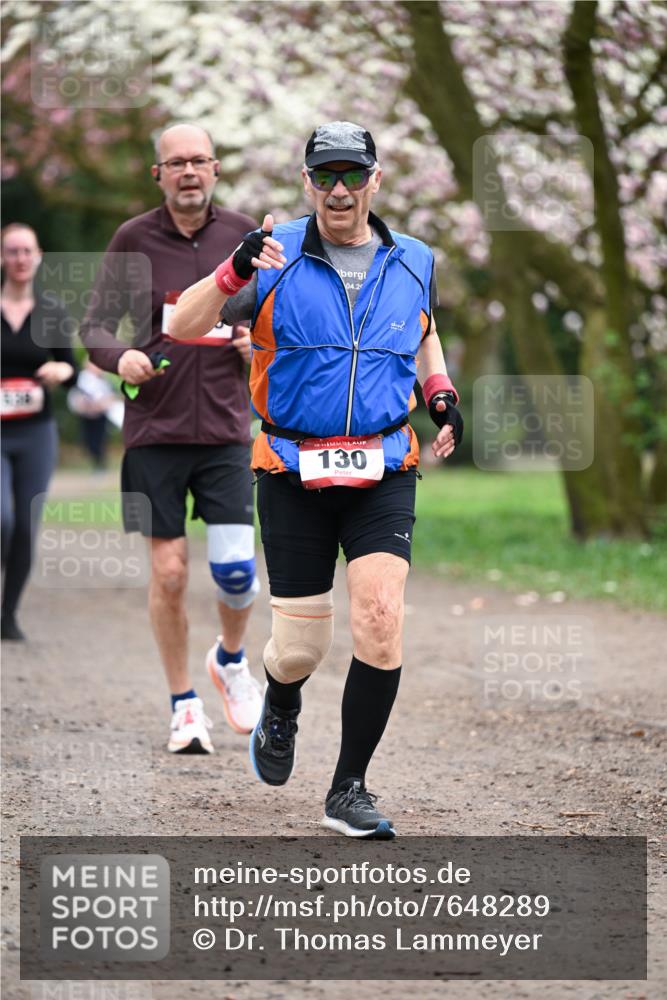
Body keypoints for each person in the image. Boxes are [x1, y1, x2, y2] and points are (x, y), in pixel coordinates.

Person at [169, 121, 463, 837]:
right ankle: (281, 701)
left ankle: (348, 789)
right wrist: (232, 269)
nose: (338, 190)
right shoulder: (269, 257)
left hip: (384, 462)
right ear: (306, 182)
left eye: (351, 175)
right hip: (293, 467)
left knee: (380, 619)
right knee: (299, 649)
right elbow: (180, 323)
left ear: (375, 180)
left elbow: (421, 332)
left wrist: (441, 393)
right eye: (325, 176)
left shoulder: (414, 258)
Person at [80, 123, 263, 755]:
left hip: (225, 433)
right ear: (157, 174)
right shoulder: (133, 238)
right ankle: (184, 705)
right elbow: (96, 327)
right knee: (170, 573)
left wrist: (252, 344)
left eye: (199, 161)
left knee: (239, 575)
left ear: (215, 169)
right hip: (154, 431)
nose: (188, 171)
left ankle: (231, 659)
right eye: (175, 162)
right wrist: (119, 357)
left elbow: (275, 325)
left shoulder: (244, 234)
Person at [1, 223, 76, 641]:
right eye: (12, 251)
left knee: (25, 526)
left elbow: (70, 368)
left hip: (35, 434)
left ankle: (7, 613)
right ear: (2, 258)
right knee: (2, 520)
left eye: (26, 251)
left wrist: (61, 369)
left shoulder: (50, 311)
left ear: (38, 256)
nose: (20, 259)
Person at [67, 360, 124, 472]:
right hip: (87, 416)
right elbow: (76, 397)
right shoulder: (82, 379)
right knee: (89, 441)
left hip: (100, 415)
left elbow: (111, 397)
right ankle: (96, 464)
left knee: (100, 441)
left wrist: (103, 404)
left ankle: (101, 465)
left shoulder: (104, 381)